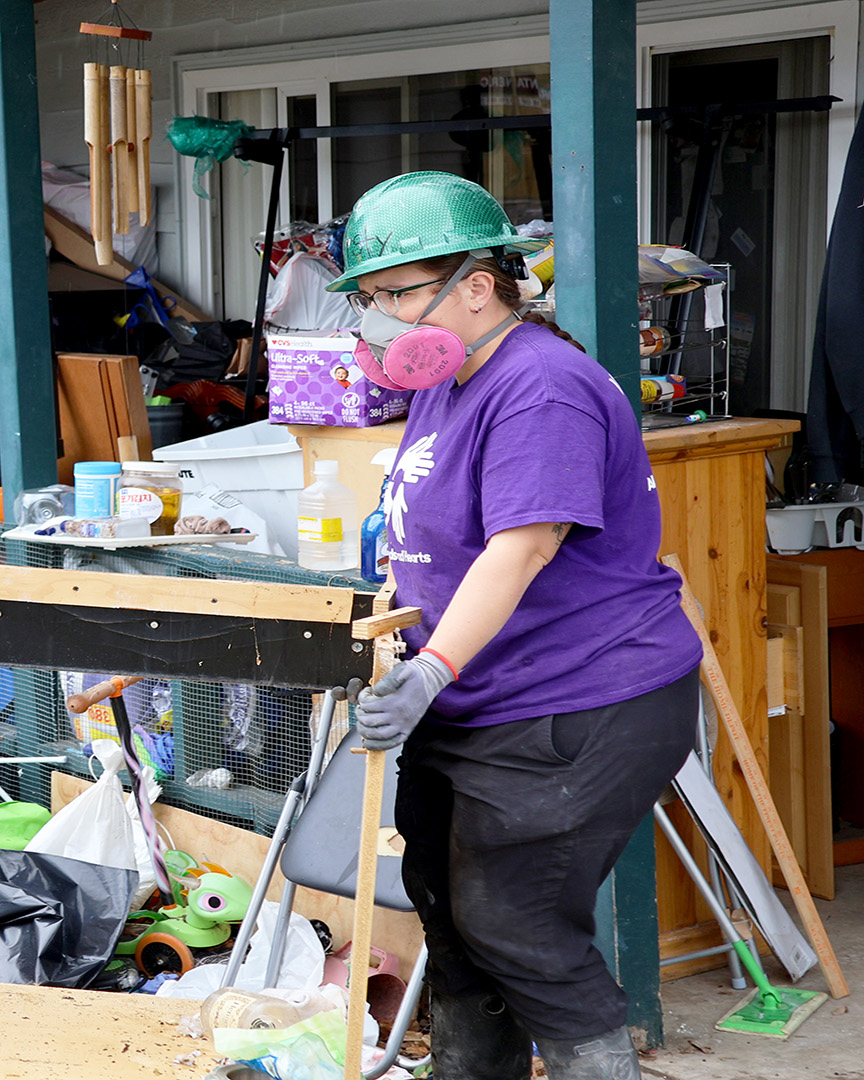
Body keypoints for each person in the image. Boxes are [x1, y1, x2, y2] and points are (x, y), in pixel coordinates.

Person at [327, 173, 703, 1080]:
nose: (377, 319)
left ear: (477, 285)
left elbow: (522, 549)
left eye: (393, 294)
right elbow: (436, 531)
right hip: (480, 699)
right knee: (453, 919)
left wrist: (432, 670)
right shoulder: (452, 379)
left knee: (517, 922)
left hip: (580, 700)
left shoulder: (541, 388)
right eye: (369, 299)